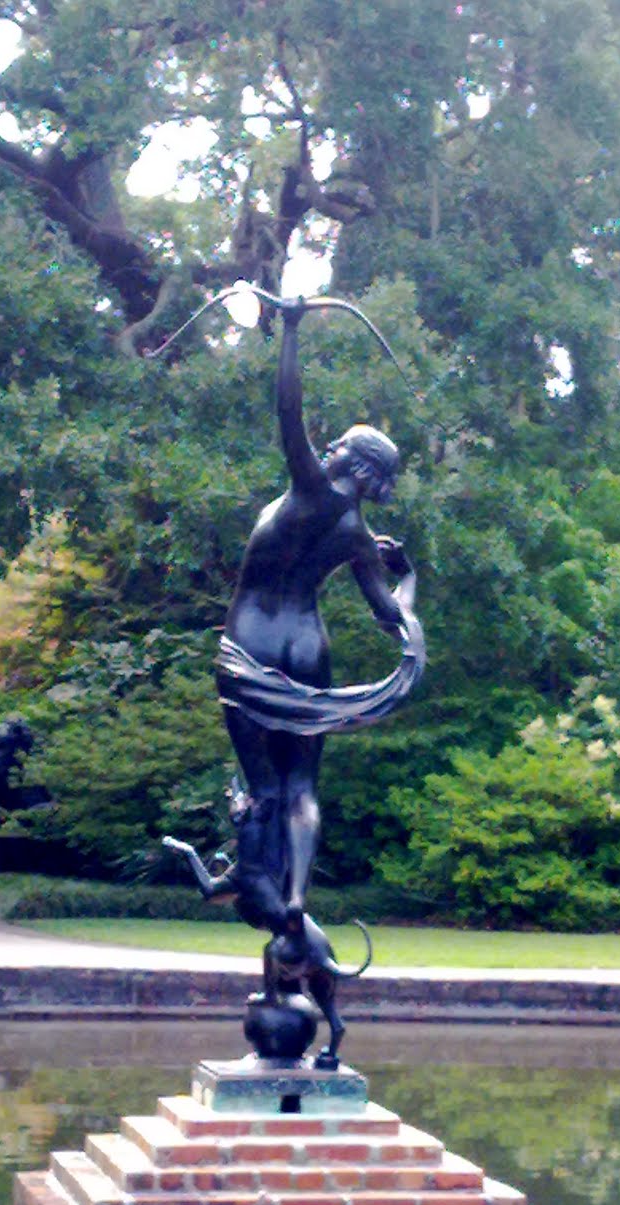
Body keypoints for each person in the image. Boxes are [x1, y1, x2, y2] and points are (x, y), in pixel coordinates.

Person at [215, 298, 425, 931]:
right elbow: (390, 616)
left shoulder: (310, 486)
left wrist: (290, 329)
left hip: (252, 638)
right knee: (303, 783)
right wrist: (407, 574)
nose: (325, 447)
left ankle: (265, 892)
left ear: (348, 460)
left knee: (266, 784)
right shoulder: (360, 537)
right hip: (309, 647)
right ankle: (298, 894)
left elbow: (287, 409)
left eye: (335, 445)